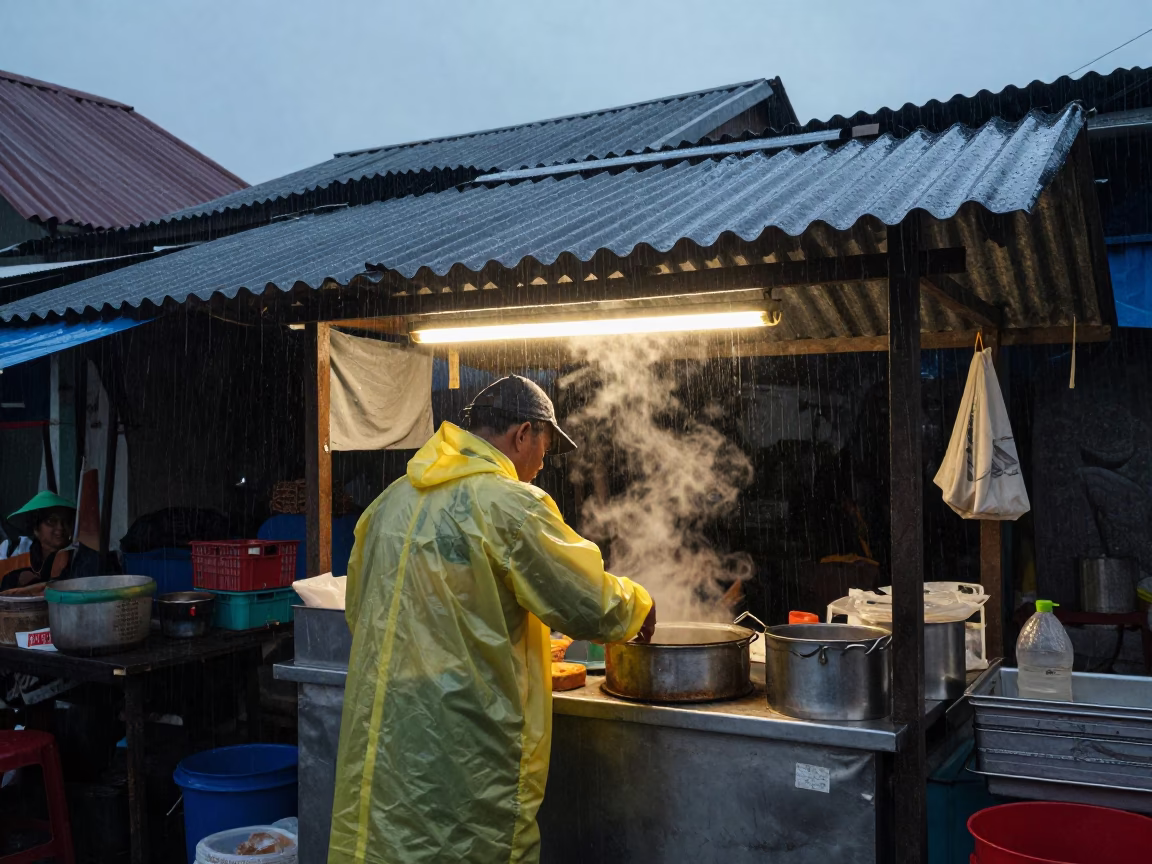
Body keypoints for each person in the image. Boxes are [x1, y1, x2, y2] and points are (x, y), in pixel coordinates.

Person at [328, 374, 655, 864]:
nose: (541, 467)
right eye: (543, 449)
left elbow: (362, 608)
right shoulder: (510, 505)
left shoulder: (390, 502)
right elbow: (587, 601)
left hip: (387, 736)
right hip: (464, 742)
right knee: (464, 846)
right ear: (522, 434)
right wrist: (640, 606)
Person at [0, 491, 94, 592]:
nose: (60, 528)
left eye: (66, 521)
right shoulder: (17, 555)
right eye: (51, 521)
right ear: (36, 528)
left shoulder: (80, 559)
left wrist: (36, 584)